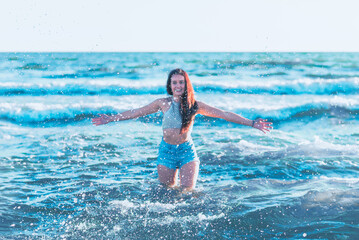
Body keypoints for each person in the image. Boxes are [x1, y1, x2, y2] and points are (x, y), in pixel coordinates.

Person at [92, 68, 272, 191]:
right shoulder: (162, 103)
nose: (178, 86)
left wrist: (252, 123)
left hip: (187, 152)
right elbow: (136, 112)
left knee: (187, 193)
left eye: (181, 83)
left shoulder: (195, 105)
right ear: (169, 86)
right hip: (166, 151)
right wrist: (111, 118)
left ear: (186, 85)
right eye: (174, 83)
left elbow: (223, 114)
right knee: (167, 193)